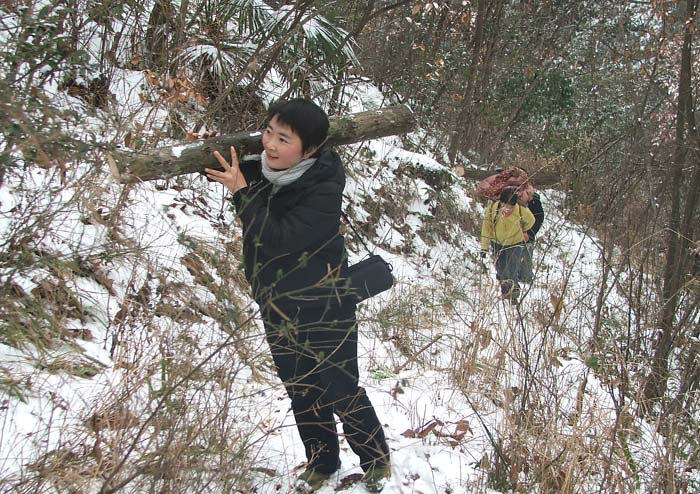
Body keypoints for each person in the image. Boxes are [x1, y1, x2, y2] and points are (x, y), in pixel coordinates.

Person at [204, 99, 391, 493]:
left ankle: (376, 461)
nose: (270, 145)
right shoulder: (265, 168)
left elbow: (279, 239)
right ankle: (322, 461)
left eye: (283, 139)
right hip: (276, 302)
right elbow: (223, 169)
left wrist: (242, 193)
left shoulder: (323, 188)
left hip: (324, 302)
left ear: (309, 149)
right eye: (268, 132)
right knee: (300, 387)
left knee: (340, 387)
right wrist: (207, 149)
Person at [480, 186, 535, 304]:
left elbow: (531, 221)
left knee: (511, 270)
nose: (507, 209)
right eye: (504, 205)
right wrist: (484, 247)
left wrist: (523, 230)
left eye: (510, 207)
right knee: (501, 270)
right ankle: (505, 292)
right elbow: (486, 228)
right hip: (497, 243)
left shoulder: (521, 210)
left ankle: (513, 296)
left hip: (515, 243)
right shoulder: (492, 210)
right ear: (500, 202)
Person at [518, 187, 545, 283]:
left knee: (526, 259)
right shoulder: (511, 197)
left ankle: (526, 278)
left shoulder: (534, 201)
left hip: (528, 236)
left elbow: (539, 218)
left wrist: (529, 233)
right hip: (512, 235)